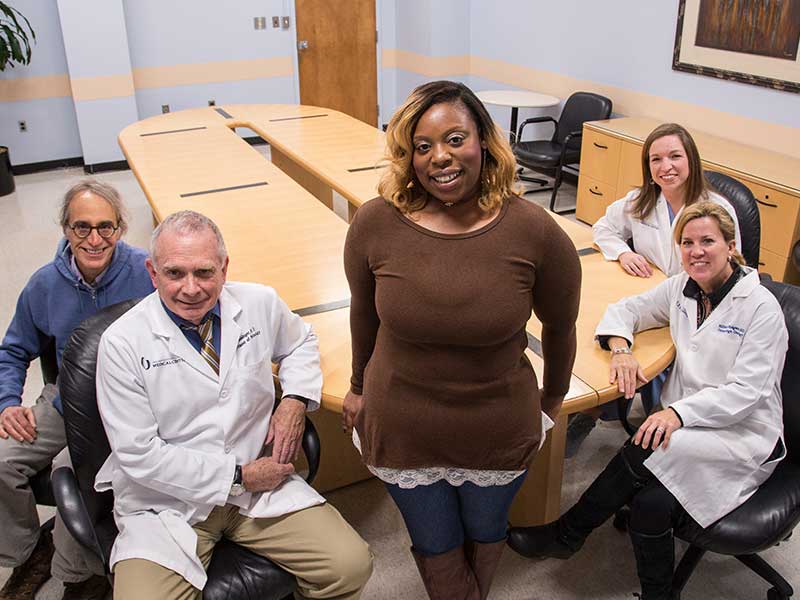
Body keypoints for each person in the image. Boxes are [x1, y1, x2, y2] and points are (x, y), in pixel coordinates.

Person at [342, 80, 582, 600]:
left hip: (497, 424)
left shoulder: (535, 231)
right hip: (403, 423)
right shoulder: (374, 223)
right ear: (407, 157)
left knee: (484, 532)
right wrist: (358, 385)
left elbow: (562, 329)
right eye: (422, 147)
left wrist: (552, 402)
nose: (440, 158)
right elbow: (365, 314)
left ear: (484, 141)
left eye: (455, 139)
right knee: (435, 543)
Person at [508, 202, 787, 600]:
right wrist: (621, 348)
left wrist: (677, 412)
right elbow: (628, 309)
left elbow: (748, 392)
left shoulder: (760, 308)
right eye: (687, 243)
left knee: (647, 441)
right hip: (692, 426)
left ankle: (569, 534)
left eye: (708, 241)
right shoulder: (682, 288)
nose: (696, 251)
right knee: (650, 506)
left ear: (730, 244)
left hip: (742, 434)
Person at [95, 210, 372, 600]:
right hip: (168, 502)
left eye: (204, 272)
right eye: (175, 273)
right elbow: (138, 454)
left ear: (224, 268)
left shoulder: (258, 302)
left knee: (349, 567)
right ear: (153, 273)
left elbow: (300, 342)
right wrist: (238, 476)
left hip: (256, 495)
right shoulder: (122, 343)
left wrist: (293, 399)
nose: (191, 288)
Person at [0, 180, 154, 600]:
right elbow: (13, 350)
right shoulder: (44, 284)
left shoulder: (147, 274)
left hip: (123, 402)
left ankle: (76, 573)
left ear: (121, 228)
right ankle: (29, 551)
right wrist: (7, 403)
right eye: (81, 227)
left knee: (72, 470)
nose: (94, 239)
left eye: (106, 227)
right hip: (65, 398)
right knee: (2, 460)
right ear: (65, 230)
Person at [565, 122, 743, 457]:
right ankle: (594, 411)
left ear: (691, 159)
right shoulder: (641, 201)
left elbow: (730, 267)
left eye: (675, 156)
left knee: (651, 360)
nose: (666, 167)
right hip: (655, 300)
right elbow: (603, 228)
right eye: (655, 159)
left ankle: (631, 419)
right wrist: (624, 251)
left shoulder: (714, 208)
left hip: (698, 309)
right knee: (605, 342)